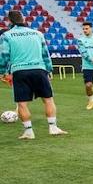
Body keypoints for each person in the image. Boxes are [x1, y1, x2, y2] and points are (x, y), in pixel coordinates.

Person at [0, 9, 67, 139]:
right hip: (39, 69)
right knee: (48, 100)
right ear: (23, 19)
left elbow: (4, 55)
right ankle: (53, 128)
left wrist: (3, 72)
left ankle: (29, 131)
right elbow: (45, 54)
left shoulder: (6, 35)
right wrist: (49, 70)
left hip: (19, 71)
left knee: (22, 104)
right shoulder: (38, 33)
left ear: (10, 21)